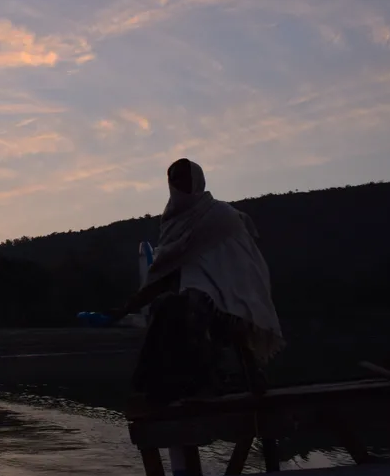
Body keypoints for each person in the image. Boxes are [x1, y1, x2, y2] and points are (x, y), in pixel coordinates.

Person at [110, 158, 284, 405]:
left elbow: (243, 264)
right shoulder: (172, 221)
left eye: (184, 177)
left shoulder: (221, 215)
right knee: (165, 306)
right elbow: (163, 274)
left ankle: (209, 381)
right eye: (174, 178)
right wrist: (125, 309)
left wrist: (219, 290)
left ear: (198, 180)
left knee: (192, 304)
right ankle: (155, 385)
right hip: (197, 293)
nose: (179, 183)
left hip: (236, 293)